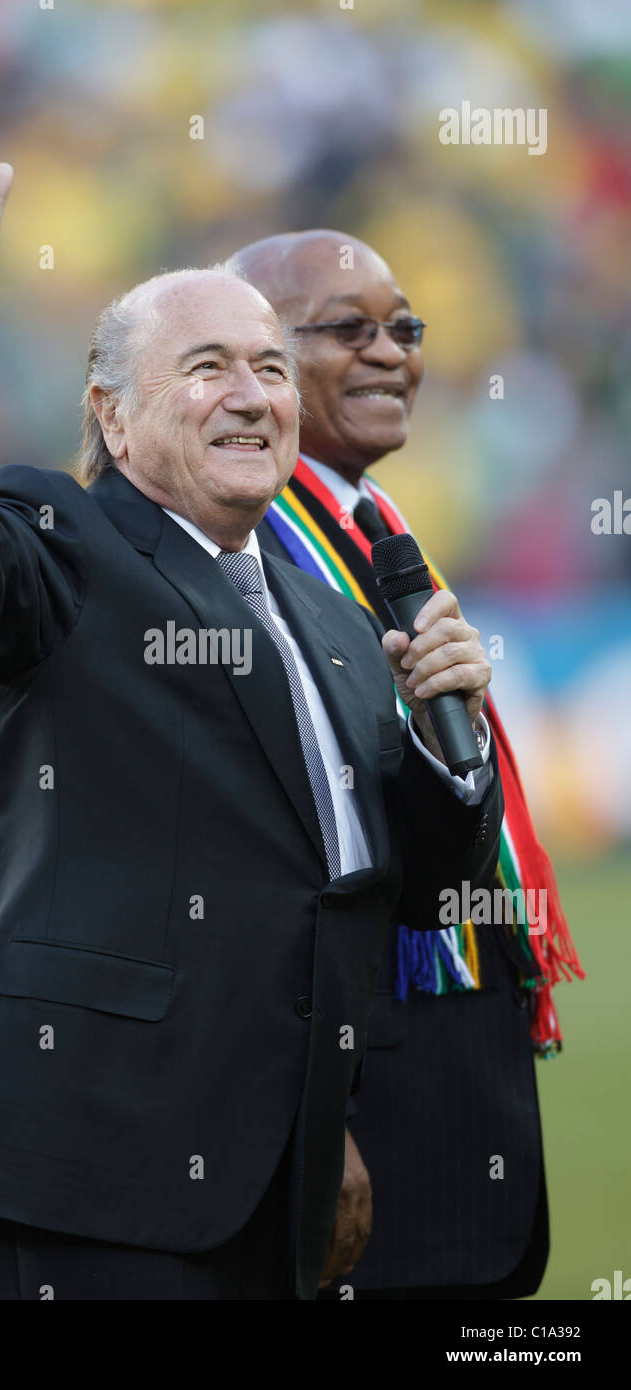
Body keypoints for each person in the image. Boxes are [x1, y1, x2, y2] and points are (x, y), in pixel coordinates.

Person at [0, 120, 503, 1301]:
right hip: (94, 1163)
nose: (250, 395)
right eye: (204, 368)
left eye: (265, 368)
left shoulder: (340, 622)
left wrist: (451, 741)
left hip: (284, 1179)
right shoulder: (60, 538)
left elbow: (397, 881)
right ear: (110, 415)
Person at [230, 228, 583, 1299]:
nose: (390, 352)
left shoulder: (369, 525)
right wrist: (313, 1118)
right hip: (362, 1111)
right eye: (348, 328)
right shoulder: (248, 555)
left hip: (450, 1101)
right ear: (257, 363)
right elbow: (255, 872)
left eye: (404, 327)